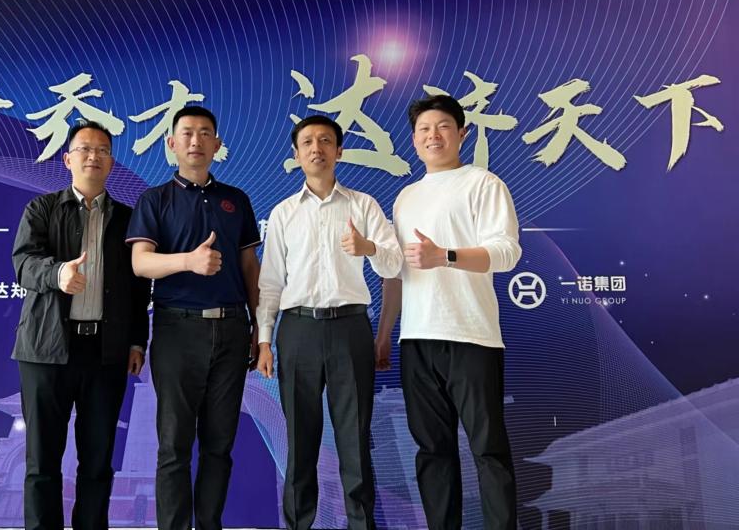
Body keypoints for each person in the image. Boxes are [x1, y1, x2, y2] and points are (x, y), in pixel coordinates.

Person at [376, 95, 521, 529]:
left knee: (488, 449)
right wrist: (386, 333)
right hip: (417, 338)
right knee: (432, 451)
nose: (432, 135)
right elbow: (398, 272)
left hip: (472, 335)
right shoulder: (405, 197)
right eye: (423, 129)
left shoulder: (483, 183)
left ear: (462, 133)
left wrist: (446, 256)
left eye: (442, 126)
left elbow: (507, 252)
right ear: (413, 140)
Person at [255, 115, 402, 530]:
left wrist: (368, 247)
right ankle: (298, 524)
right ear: (296, 154)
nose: (316, 148)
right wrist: (264, 340)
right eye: (307, 142)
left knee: (354, 440)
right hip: (297, 330)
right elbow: (271, 283)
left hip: (349, 329)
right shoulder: (283, 213)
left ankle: (361, 525)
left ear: (339, 151)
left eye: (325, 141)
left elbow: (394, 264)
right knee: (300, 442)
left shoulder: (364, 205)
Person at [126, 105, 261, 530]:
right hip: (176, 330)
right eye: (186, 133)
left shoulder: (236, 200)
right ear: (171, 143)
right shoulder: (154, 200)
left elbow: (250, 268)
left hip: (233, 330)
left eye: (205, 133)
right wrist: (188, 261)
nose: (195, 141)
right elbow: (140, 263)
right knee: (174, 447)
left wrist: (260, 328)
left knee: (219, 446)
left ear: (217, 144)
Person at [11, 121, 151, 530]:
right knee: (42, 461)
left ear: (111, 162)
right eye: (85, 149)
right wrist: (58, 274)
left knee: (97, 461)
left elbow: (139, 288)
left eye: (103, 150)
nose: (94, 156)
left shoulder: (129, 219)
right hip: (45, 349)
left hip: (106, 353)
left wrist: (137, 342)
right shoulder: (41, 209)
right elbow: (24, 264)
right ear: (67, 159)